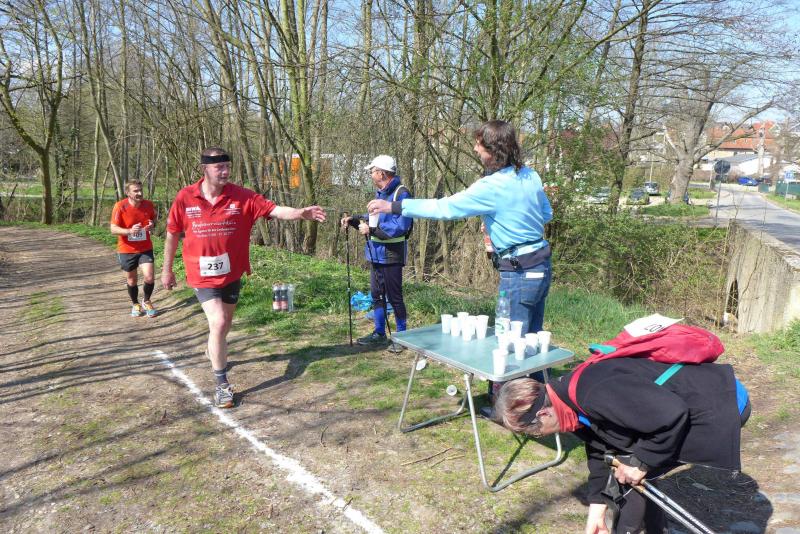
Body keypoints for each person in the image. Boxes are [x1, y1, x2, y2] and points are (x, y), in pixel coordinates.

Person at [367, 120, 553, 405]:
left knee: (509, 340)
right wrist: (506, 221)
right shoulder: (530, 175)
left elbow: (445, 207)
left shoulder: (491, 186)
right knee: (532, 338)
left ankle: (510, 407)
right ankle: (539, 400)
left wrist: (394, 206)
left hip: (518, 271)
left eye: (479, 145)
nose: (475, 149)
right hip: (541, 265)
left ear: (493, 150)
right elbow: (546, 214)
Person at [494, 358, 751, 534]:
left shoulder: (592, 394)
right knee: (630, 467)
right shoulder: (568, 400)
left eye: (534, 433)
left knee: (631, 473)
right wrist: (597, 509)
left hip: (719, 402)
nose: (539, 436)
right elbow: (601, 450)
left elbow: (672, 414)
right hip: (685, 404)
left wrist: (641, 463)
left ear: (542, 414)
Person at [161, 147, 326, 409]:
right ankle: (222, 385)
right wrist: (167, 269)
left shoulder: (241, 196)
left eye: (227, 167)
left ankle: (213, 349)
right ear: (205, 169)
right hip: (201, 273)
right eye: (219, 167)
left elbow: (274, 209)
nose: (225, 172)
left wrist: (299, 213)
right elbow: (172, 233)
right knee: (219, 321)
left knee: (224, 325)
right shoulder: (186, 197)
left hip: (232, 272)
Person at [340, 155, 412, 351]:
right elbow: (373, 218)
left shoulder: (402, 194)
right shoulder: (380, 193)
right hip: (375, 252)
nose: (370, 174)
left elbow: (400, 227)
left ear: (381, 173)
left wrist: (371, 230)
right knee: (376, 295)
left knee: (395, 297)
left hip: (392, 253)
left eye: (372, 171)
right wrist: (354, 219)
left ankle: (402, 338)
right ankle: (379, 333)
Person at [110, 179, 158, 318]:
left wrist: (152, 225)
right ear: (128, 193)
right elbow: (113, 229)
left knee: (149, 277)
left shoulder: (148, 205)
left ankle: (146, 301)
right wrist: (129, 231)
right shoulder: (120, 206)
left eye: (140, 190)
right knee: (132, 280)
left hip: (145, 248)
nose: (139, 193)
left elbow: (154, 220)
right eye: (135, 191)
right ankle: (135, 304)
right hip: (126, 249)